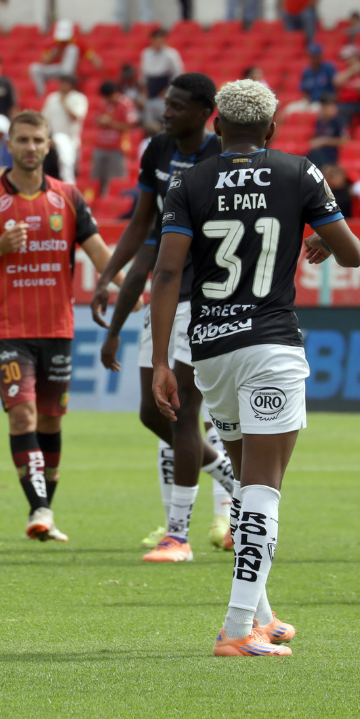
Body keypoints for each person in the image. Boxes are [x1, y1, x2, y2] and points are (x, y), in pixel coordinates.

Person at [152, 79, 360, 656]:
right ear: (271, 128)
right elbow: (353, 253)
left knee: (249, 485)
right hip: (270, 343)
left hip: (209, 350)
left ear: (217, 123)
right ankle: (238, 628)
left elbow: (167, 274)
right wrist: (320, 241)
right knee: (265, 485)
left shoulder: (188, 180)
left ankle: (261, 614)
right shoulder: (300, 172)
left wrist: (160, 362)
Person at [90, 73, 239, 559]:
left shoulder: (220, 157)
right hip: (162, 295)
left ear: (204, 113)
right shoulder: (156, 150)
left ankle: (178, 534)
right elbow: (142, 225)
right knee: (151, 413)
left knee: (184, 413)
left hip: (202, 296)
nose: (165, 110)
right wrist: (108, 279)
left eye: (177, 106)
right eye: (166, 103)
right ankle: (225, 471)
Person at [0, 111, 119, 540]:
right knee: (22, 414)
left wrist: (133, 288)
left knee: (50, 421)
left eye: (38, 140)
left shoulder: (68, 197)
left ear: (50, 146)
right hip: (7, 327)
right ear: (9, 145)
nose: (31, 147)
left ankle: (46, 507)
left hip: (58, 327)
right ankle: (40, 509)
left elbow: (100, 253)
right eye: (23, 140)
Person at [91, 80, 138, 197]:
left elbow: (130, 125)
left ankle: (115, 202)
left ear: (115, 93)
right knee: (96, 179)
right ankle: (98, 203)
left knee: (115, 180)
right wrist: (101, 121)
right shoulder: (103, 103)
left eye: (109, 97)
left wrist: (110, 123)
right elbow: (96, 119)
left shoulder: (126, 104)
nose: (107, 99)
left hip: (117, 147)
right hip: (101, 146)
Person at [41, 74, 89, 182]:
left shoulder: (78, 98)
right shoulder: (53, 98)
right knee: (52, 174)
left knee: (68, 173)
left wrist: (64, 103)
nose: (62, 86)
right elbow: (44, 119)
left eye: (65, 83)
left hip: (71, 141)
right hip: (53, 141)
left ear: (72, 85)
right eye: (61, 83)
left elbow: (76, 117)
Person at [140, 28, 184, 122]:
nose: (159, 41)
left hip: (164, 92)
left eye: (161, 39)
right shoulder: (146, 53)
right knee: (149, 123)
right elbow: (144, 75)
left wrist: (167, 92)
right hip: (150, 93)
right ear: (152, 40)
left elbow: (178, 75)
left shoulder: (171, 54)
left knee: (165, 120)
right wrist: (145, 92)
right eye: (156, 39)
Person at [30, 19, 81, 96]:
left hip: (69, 72)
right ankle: (41, 94)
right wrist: (54, 55)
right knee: (34, 68)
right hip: (56, 70)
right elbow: (44, 61)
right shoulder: (53, 43)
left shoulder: (76, 43)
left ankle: (66, 88)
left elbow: (92, 58)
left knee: (72, 49)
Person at [307, 97, 346, 168]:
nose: (325, 109)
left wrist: (325, 141)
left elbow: (345, 140)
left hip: (331, 154)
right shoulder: (319, 122)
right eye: (323, 107)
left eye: (327, 107)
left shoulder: (338, 121)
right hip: (318, 153)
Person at [299, 43, 337, 107]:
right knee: (290, 109)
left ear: (320, 56)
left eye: (315, 56)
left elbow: (336, 87)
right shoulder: (306, 71)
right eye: (311, 56)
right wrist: (307, 103)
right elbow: (305, 91)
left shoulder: (328, 68)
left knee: (315, 107)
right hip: (310, 102)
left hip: (324, 103)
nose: (313, 58)